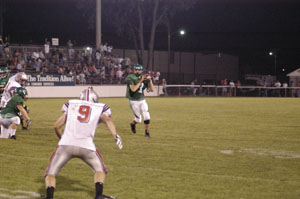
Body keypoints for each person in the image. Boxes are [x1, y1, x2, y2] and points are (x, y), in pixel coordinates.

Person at [44, 87, 123, 199]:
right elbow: (107, 120)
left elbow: (56, 126)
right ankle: (99, 195)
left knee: (51, 173)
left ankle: (49, 197)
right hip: (87, 146)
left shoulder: (71, 104)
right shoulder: (100, 107)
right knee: (100, 170)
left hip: (66, 145)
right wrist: (115, 135)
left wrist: (63, 139)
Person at [124, 64, 154, 138]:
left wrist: (150, 80)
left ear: (141, 70)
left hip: (142, 100)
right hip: (133, 101)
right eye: (136, 69)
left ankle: (147, 132)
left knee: (146, 115)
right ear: (134, 70)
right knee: (138, 120)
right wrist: (141, 80)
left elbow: (152, 90)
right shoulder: (130, 77)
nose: (138, 71)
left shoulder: (144, 78)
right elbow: (133, 89)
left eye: (139, 70)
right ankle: (132, 123)